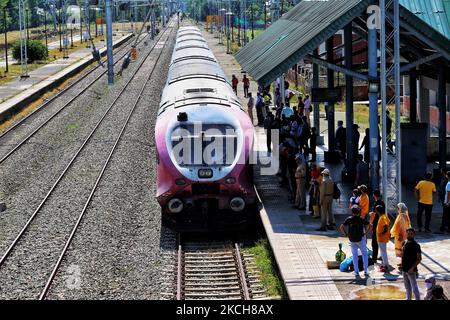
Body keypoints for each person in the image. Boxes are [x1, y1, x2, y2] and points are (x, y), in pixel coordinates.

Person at [339, 205, 372, 278]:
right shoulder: (361, 219)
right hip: (361, 239)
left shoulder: (349, 219)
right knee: (364, 254)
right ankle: (366, 271)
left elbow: (341, 227)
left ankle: (356, 272)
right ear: (359, 212)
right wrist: (366, 233)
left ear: (352, 212)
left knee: (354, 255)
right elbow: (370, 225)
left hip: (352, 239)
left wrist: (345, 234)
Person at [402, 228, 422, 300]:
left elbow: (419, 259)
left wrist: (412, 268)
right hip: (404, 269)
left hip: (412, 270)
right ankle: (408, 298)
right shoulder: (404, 243)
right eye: (408, 233)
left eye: (411, 234)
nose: (409, 235)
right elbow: (403, 256)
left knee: (414, 288)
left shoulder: (416, 245)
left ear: (414, 235)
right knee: (407, 287)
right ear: (406, 234)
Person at [369, 190, 386, 263]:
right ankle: (382, 256)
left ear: (374, 195)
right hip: (381, 222)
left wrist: (370, 223)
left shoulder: (376, 204)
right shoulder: (382, 202)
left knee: (374, 242)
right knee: (382, 242)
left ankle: (374, 258)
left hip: (376, 223)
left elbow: (373, 214)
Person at [375, 205, 390, 273]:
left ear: (378, 211)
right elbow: (388, 222)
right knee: (383, 251)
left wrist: (382, 233)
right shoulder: (384, 216)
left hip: (382, 238)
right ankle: (384, 264)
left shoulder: (382, 217)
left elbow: (386, 226)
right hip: (382, 238)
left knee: (383, 252)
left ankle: (386, 266)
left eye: (376, 210)